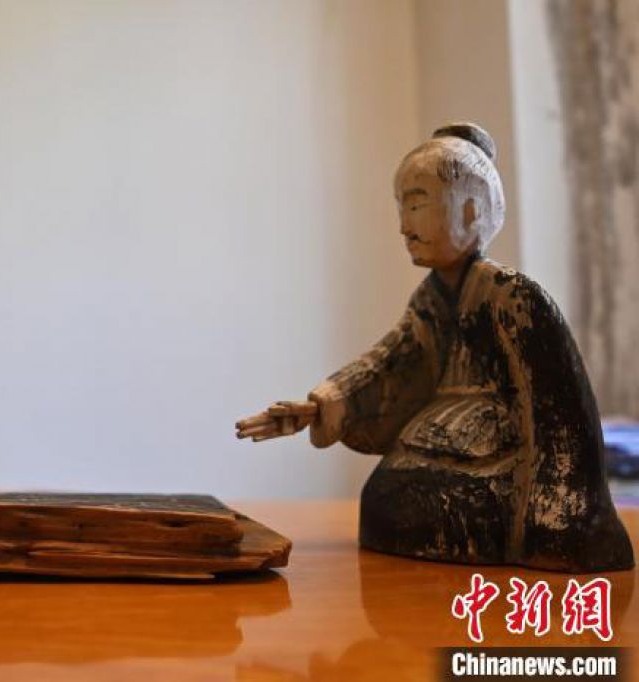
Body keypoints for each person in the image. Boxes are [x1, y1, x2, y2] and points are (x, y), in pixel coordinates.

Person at [237, 123, 633, 572]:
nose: (404, 227)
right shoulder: (430, 299)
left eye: (417, 204)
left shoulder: (513, 295)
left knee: (448, 504)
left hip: (497, 460)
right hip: (440, 438)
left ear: (471, 209)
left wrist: (555, 518)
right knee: (385, 495)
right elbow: (391, 361)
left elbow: (557, 413)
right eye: (400, 208)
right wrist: (321, 405)